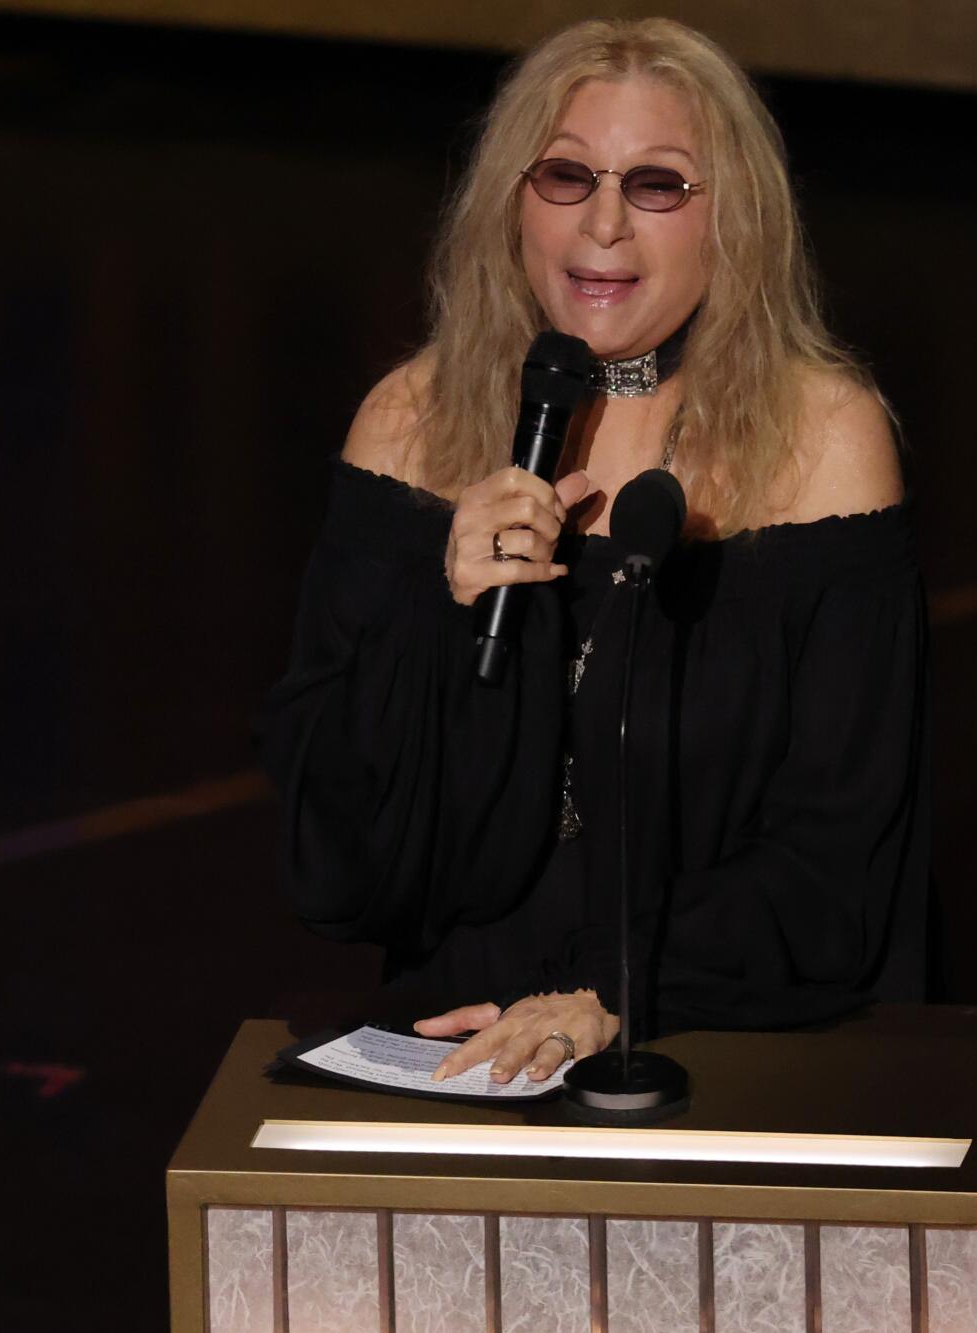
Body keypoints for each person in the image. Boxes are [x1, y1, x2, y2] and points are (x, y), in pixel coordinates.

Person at [259, 18, 928, 1089]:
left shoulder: (823, 442)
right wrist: (442, 611)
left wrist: (611, 993)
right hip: (463, 1043)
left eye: (657, 185)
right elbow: (336, 865)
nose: (602, 224)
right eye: (566, 175)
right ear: (511, 204)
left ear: (735, 223)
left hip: (714, 1031)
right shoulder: (407, 423)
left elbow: (838, 862)